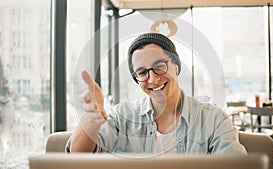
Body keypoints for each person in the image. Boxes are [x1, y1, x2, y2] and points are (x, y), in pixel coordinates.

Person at [66, 32, 247, 154]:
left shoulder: (213, 120)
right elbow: (77, 154)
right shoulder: (122, 117)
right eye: (142, 73)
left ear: (175, 66)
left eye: (159, 66)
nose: (152, 79)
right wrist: (90, 120)